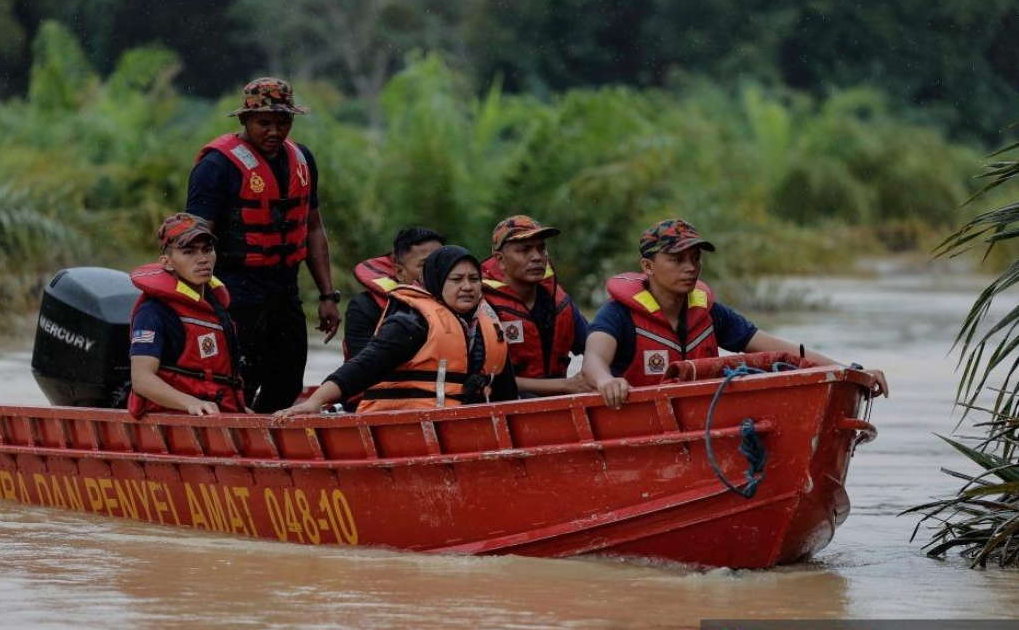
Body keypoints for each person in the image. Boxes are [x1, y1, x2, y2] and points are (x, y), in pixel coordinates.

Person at [582, 218, 890, 409]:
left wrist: (850, 372)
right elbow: (593, 359)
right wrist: (606, 381)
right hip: (639, 422)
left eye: (695, 258)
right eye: (677, 259)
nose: (690, 267)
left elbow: (783, 351)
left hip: (701, 422)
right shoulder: (618, 314)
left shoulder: (710, 313)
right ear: (648, 267)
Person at [185, 77, 340, 413]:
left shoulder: (302, 159)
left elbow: (312, 228)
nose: (274, 131)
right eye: (264, 122)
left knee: (288, 378)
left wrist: (328, 296)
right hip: (234, 288)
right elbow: (194, 239)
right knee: (241, 376)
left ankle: (268, 440)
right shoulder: (216, 166)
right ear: (244, 120)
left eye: (282, 121)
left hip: (285, 287)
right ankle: (235, 446)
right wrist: (194, 301)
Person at [273, 246, 516, 418]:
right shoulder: (412, 322)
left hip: (464, 427)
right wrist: (316, 400)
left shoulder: (488, 325)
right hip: (404, 428)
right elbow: (363, 366)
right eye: (456, 279)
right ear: (436, 281)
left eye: (474, 279)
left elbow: (505, 391)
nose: (467, 287)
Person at [128, 214, 246, 417]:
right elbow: (141, 379)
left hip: (219, 415)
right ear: (166, 262)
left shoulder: (216, 307)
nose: (202, 259)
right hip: (174, 419)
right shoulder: (153, 312)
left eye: (207, 250)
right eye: (188, 252)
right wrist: (190, 403)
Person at [480, 215, 590, 396]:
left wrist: (596, 375)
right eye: (524, 250)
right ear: (500, 260)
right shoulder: (483, 305)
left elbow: (595, 350)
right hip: (507, 406)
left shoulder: (560, 301)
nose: (537, 257)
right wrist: (565, 385)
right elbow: (489, 377)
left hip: (561, 404)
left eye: (542, 248)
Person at [344, 226, 446, 360]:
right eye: (425, 265)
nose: (437, 271)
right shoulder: (366, 307)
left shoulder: (464, 304)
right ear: (399, 272)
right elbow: (362, 368)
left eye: (442, 263)